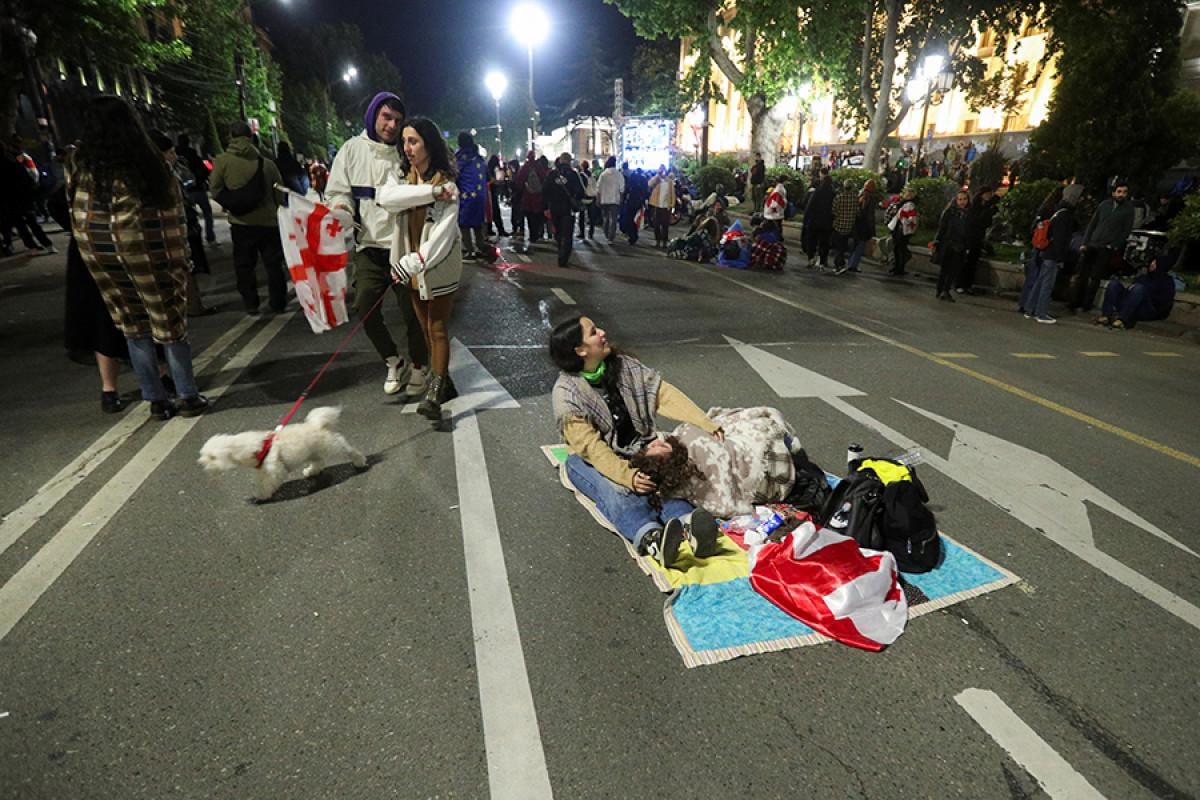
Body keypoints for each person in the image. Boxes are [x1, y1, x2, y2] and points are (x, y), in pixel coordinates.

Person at [67, 95, 208, 420]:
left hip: (103, 255)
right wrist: (183, 256)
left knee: (132, 325)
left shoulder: (81, 163)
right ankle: (187, 395)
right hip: (150, 251)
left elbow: (75, 207)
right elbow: (172, 211)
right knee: (170, 323)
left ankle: (156, 400)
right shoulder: (148, 160)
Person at [549, 315, 723, 567]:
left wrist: (704, 422)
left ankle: (688, 523)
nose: (602, 332)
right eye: (593, 332)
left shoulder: (624, 366)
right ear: (580, 350)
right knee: (617, 491)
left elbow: (662, 394)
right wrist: (626, 476)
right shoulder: (566, 394)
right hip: (590, 460)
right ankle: (652, 538)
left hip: (637, 447)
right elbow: (593, 450)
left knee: (661, 480)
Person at [326, 92, 429, 398]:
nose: (392, 125)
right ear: (373, 115)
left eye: (397, 120)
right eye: (386, 117)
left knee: (413, 311)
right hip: (368, 247)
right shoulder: (351, 150)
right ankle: (393, 360)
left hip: (403, 246)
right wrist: (342, 209)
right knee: (364, 306)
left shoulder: (406, 150)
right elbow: (338, 192)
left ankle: (420, 365)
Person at [383, 117, 463, 424]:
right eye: (404, 141)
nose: (407, 148)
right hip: (411, 266)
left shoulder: (448, 185)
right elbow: (385, 198)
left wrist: (414, 262)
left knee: (437, 327)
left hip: (438, 265)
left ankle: (434, 394)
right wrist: (429, 193)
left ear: (429, 144)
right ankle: (444, 380)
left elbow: (442, 237)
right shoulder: (403, 179)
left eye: (413, 141)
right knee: (424, 327)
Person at [210, 121, 288, 316]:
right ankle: (278, 303)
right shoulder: (267, 163)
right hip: (268, 223)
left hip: (241, 223)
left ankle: (251, 303)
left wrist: (232, 203)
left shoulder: (222, 161)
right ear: (251, 137)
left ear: (231, 137)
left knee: (244, 265)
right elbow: (280, 192)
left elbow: (215, 189)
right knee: (273, 265)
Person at [150, 130, 215, 316]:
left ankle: (190, 305)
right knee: (185, 268)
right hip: (174, 231)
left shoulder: (174, 169)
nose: (174, 156)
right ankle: (192, 306)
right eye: (170, 152)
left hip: (181, 225)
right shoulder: (160, 176)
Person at [1020, 184, 1083, 324]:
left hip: (1047, 252)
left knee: (1040, 281)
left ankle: (1030, 309)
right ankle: (1041, 313)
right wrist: (1061, 258)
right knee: (1047, 284)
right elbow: (1061, 239)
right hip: (1053, 254)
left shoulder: (1058, 212)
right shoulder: (1066, 215)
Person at [1070, 179, 1135, 313]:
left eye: (1124, 192)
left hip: (1106, 247)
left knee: (1095, 277)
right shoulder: (1104, 205)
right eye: (1119, 192)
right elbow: (1092, 224)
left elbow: (1126, 230)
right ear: (1113, 193)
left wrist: (1114, 245)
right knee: (1082, 274)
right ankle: (1074, 302)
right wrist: (1085, 242)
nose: (1121, 195)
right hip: (1093, 243)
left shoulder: (1128, 209)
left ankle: (1086, 304)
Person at [1096, 254, 1176, 330]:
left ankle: (1123, 320)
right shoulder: (1143, 277)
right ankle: (1106, 316)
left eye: (1155, 263)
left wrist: (1144, 292)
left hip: (1147, 309)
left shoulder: (1167, 282)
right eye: (1152, 262)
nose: (1152, 264)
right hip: (1130, 305)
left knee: (1139, 288)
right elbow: (1131, 290)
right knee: (1114, 284)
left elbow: (1164, 303)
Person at [543, 152, 584, 268]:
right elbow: (580, 191)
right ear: (570, 161)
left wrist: (546, 206)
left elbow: (545, 190)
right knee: (568, 234)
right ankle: (564, 257)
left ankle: (560, 246)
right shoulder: (573, 175)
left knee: (558, 231)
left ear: (560, 160)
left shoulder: (552, 174)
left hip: (554, 207)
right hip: (567, 208)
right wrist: (575, 199)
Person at [957, 185, 999, 294]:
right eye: (987, 194)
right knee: (966, 262)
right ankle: (960, 284)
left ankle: (968, 285)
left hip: (979, 237)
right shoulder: (975, 207)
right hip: (971, 237)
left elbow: (986, 222)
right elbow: (976, 220)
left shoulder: (987, 207)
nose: (989, 196)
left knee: (973, 263)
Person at [454, 131, 489, 260]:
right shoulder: (479, 158)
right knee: (477, 223)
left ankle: (470, 250)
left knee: (464, 224)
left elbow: (454, 176)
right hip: (481, 196)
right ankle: (481, 246)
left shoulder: (460, 158)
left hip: (467, 196)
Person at [932, 190, 972, 301]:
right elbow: (942, 228)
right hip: (948, 243)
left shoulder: (969, 214)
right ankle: (940, 290)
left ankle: (946, 290)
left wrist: (967, 245)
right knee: (945, 269)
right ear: (956, 200)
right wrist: (937, 241)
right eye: (960, 199)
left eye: (964, 199)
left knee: (954, 270)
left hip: (960, 245)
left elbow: (969, 231)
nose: (962, 202)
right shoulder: (950, 212)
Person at [176, 134, 216, 243]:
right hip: (198, 189)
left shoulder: (176, 157)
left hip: (185, 192)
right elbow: (205, 171)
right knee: (207, 213)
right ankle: (210, 236)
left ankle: (190, 237)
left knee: (188, 216)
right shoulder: (194, 155)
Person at [802, 172, 834, 269]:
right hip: (827, 222)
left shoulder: (817, 192)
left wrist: (806, 218)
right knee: (824, 242)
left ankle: (811, 258)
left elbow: (810, 206)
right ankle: (822, 261)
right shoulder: (833, 194)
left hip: (814, 221)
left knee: (812, 240)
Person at [514, 151, 548, 243]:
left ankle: (532, 235)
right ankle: (537, 234)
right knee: (537, 217)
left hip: (528, 197)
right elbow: (544, 179)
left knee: (529, 216)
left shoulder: (525, 167)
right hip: (538, 197)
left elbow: (519, 181)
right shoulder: (539, 166)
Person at [887, 186, 918, 276]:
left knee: (899, 249)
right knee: (898, 249)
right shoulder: (903, 203)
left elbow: (911, 218)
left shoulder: (909, 204)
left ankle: (899, 268)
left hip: (902, 229)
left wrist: (903, 217)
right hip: (899, 228)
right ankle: (897, 267)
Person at [830, 179, 858, 269]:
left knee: (838, 246)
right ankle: (841, 262)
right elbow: (857, 211)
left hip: (839, 225)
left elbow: (833, 211)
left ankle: (838, 263)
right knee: (844, 245)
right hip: (849, 225)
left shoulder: (839, 197)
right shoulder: (855, 198)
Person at [646, 165, 676, 248]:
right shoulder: (657, 180)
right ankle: (658, 241)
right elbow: (649, 184)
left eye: (663, 170)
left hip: (666, 206)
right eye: (660, 170)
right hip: (657, 205)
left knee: (665, 225)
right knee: (656, 224)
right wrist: (657, 175)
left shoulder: (669, 182)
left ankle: (664, 242)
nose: (662, 172)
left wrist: (672, 205)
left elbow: (673, 194)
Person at [486, 154, 509, 237]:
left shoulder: (488, 169)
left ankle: (490, 229)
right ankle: (500, 230)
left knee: (490, 213)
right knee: (495, 212)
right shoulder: (491, 171)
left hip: (489, 193)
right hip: (490, 193)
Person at [577, 159, 598, 240]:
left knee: (582, 216)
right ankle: (591, 233)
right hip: (592, 197)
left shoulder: (581, 175)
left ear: (582, 166)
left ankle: (582, 233)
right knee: (591, 216)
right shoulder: (592, 175)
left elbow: (580, 187)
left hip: (584, 198)